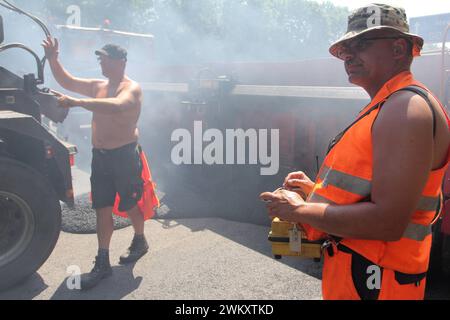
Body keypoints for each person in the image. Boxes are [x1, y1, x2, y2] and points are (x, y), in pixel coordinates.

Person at [260, 3, 450, 300]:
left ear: (399, 48)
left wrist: (298, 210)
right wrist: (318, 192)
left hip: (376, 282)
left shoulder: (404, 109)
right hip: (367, 277)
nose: (348, 55)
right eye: (346, 48)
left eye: (360, 44)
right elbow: (382, 194)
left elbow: (388, 222)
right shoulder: (392, 105)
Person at [42, 38, 150, 290]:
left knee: (130, 202)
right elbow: (67, 81)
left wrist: (76, 102)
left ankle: (140, 239)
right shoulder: (98, 85)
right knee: (101, 207)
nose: (100, 61)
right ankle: (102, 261)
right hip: (100, 157)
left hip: (124, 156)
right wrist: (52, 58)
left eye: (105, 58)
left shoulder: (131, 88)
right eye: (99, 58)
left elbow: (117, 106)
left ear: (120, 61)